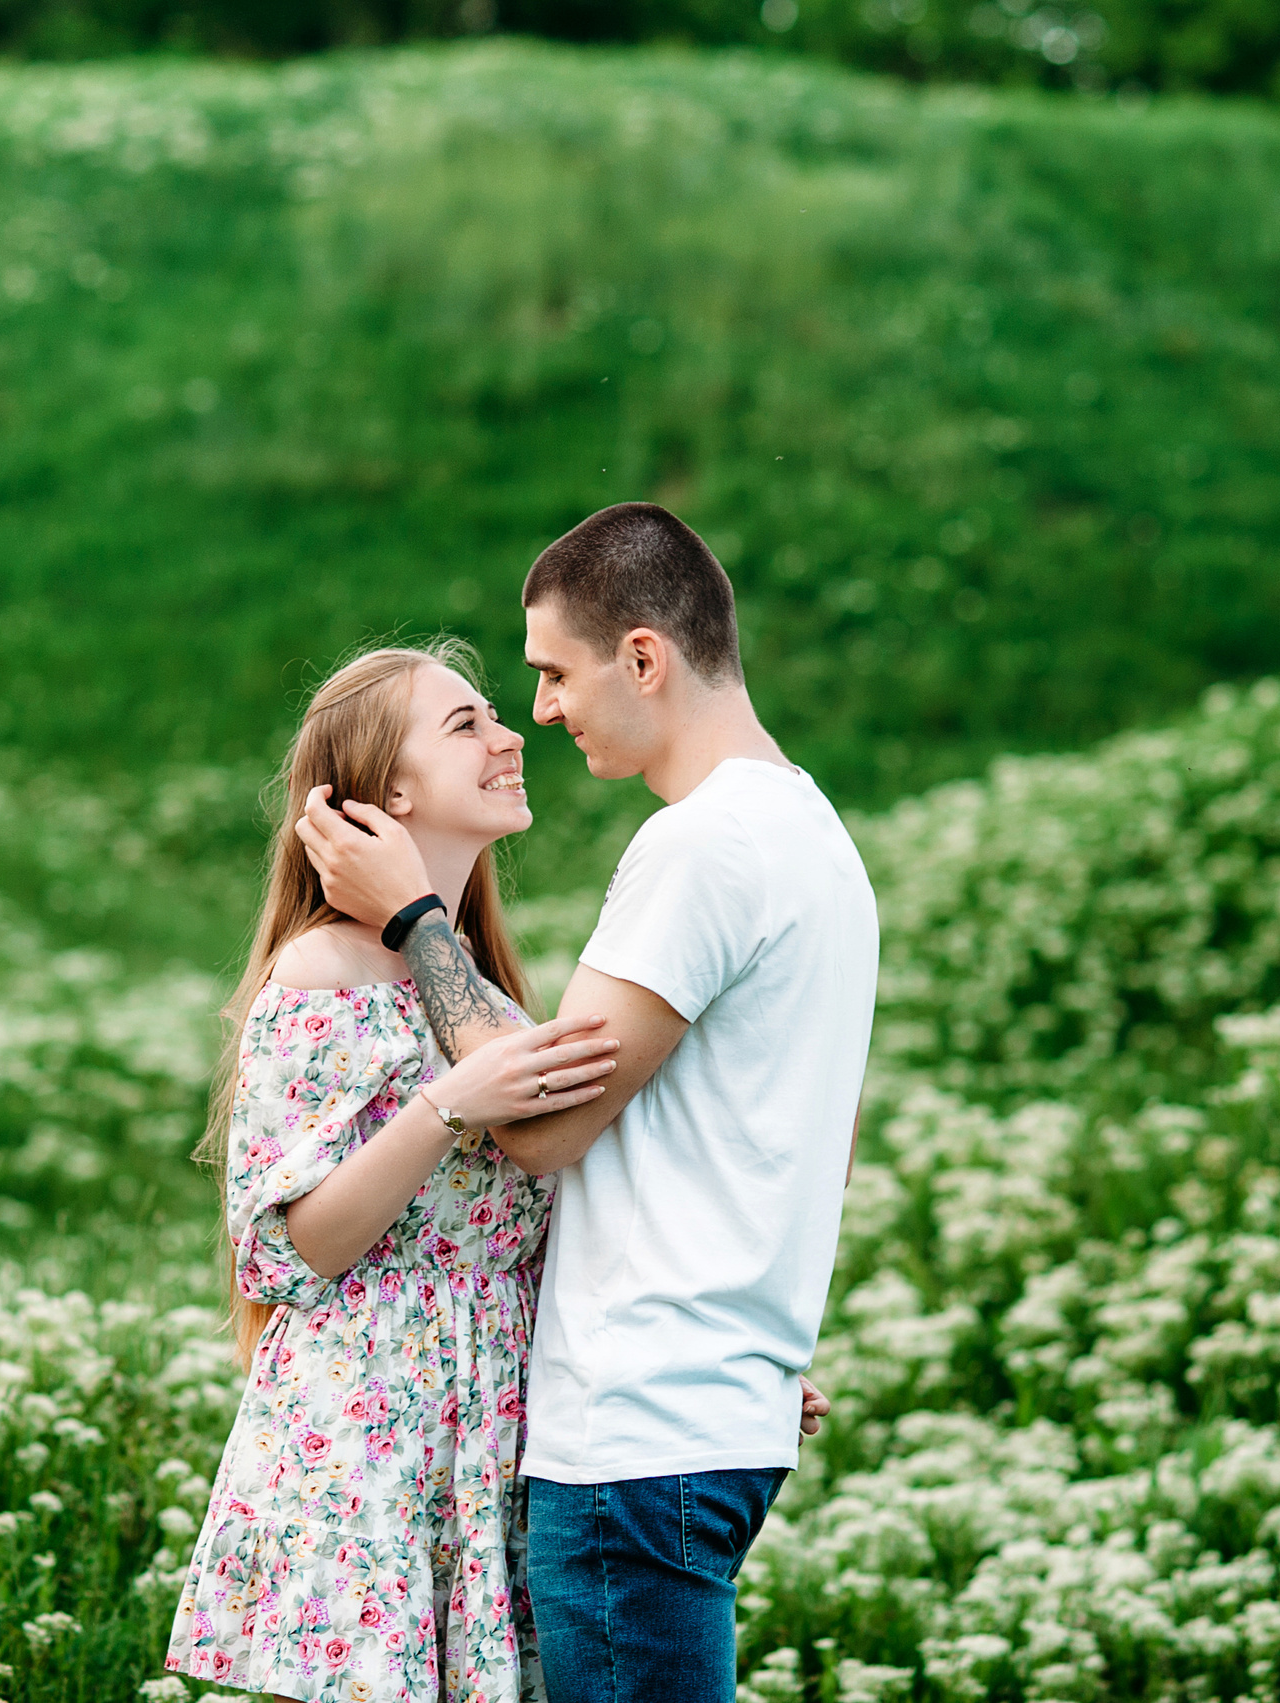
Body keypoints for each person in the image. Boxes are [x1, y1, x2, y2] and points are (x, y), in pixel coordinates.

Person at [298, 502, 880, 1703]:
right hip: (719, 1411)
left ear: (645, 658)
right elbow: (808, 1139)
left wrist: (412, 920)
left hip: (638, 1436)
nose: (545, 710)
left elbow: (542, 1125)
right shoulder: (813, 832)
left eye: (554, 673)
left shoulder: (701, 846)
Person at [163, 640, 622, 1699]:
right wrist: (445, 1106)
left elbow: (550, 1235)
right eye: (466, 724)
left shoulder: (487, 1001)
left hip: (488, 1423)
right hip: (366, 1425)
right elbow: (292, 1245)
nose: (511, 736)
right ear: (390, 790)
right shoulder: (325, 968)